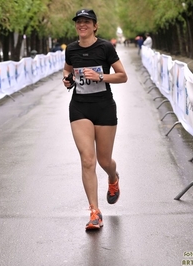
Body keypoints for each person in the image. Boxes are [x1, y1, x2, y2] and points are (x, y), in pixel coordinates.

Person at [62, 9, 128, 230]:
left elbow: (122, 75)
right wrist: (67, 80)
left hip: (104, 108)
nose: (82, 25)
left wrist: (100, 76)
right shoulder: (71, 49)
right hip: (79, 107)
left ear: (95, 26)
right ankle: (94, 212)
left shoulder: (105, 47)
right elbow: (67, 71)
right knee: (87, 159)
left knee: (104, 161)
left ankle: (113, 176)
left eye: (86, 22)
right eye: (79, 22)